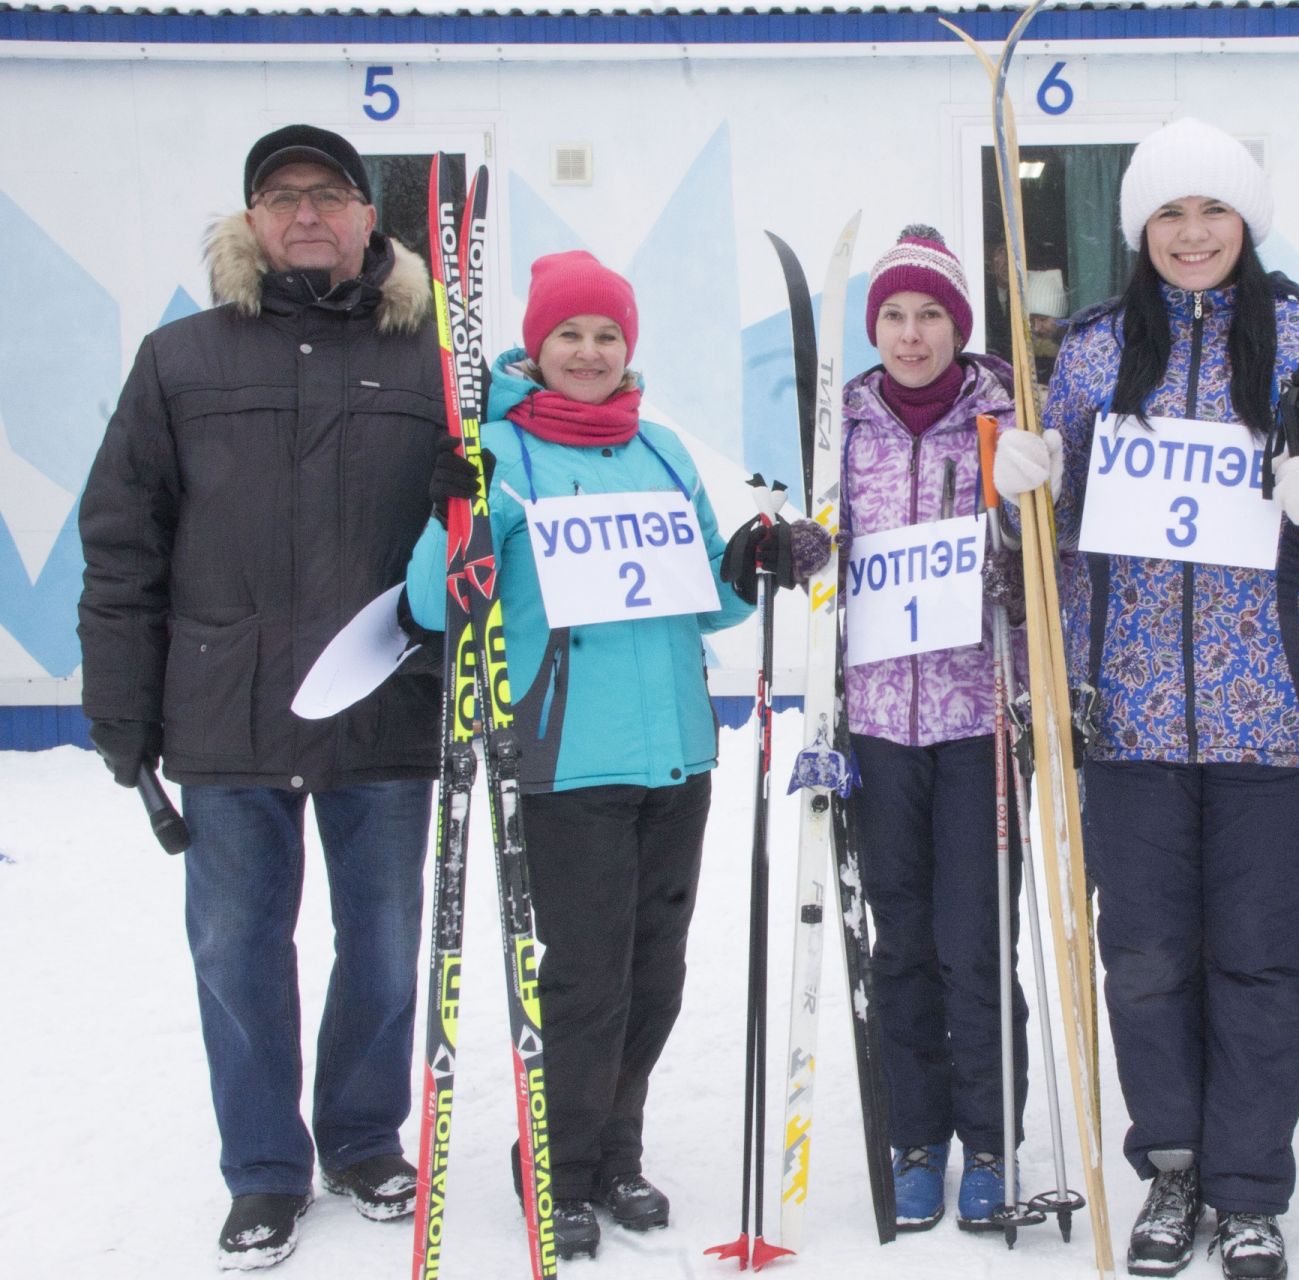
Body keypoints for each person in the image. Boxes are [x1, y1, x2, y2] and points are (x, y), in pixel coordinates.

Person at [995, 117, 1299, 1279]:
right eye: (1170, 213)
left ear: (1246, 222)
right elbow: (1045, 532)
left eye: (1213, 211)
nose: (1194, 232)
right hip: (1128, 714)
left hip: (1278, 708)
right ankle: (1172, 1166)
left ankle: (1252, 1184)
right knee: (1148, 955)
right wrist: (1024, 487)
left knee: (1262, 958)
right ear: (1141, 230)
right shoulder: (1100, 350)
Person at [76, 124, 444, 1269]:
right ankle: (265, 1168)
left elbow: (484, 530)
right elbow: (122, 540)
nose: (306, 213)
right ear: (249, 221)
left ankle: (362, 1135)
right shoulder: (180, 359)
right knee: (237, 946)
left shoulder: (435, 362)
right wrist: (122, 711)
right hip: (222, 705)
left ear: (366, 217)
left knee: (381, 941)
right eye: (280, 196)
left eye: (329, 193)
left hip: (383, 697)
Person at [403, 250, 785, 1260]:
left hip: (676, 755)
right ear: (538, 343)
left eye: (606, 335)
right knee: (583, 979)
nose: (588, 351)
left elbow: (705, 592)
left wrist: (747, 563)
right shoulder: (499, 451)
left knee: (655, 971)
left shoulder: (659, 448)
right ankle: (558, 1167)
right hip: (568, 757)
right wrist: (455, 507)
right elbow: (427, 603)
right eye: (569, 334)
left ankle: (618, 1149)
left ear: (629, 347)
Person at [835, 226, 1030, 1233]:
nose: (912, 334)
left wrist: (1030, 511)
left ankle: (991, 1136)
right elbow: (827, 558)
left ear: (959, 325)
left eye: (931, 315)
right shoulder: (846, 427)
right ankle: (915, 1137)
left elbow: (1046, 564)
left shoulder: (1001, 421)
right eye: (895, 316)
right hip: (877, 724)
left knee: (976, 940)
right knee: (901, 941)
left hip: (975, 722)